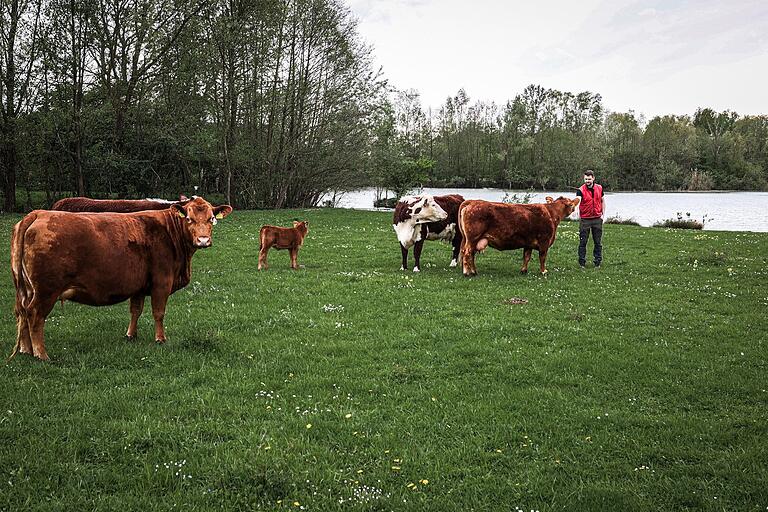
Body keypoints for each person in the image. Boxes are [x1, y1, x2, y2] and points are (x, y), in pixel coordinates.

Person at [576, 170, 605, 268]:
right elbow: (578, 201)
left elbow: (602, 201)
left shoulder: (599, 188)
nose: (587, 181)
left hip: (597, 219)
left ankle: (597, 262)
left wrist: (602, 215)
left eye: (589, 179)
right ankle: (582, 263)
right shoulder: (580, 190)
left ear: (593, 178)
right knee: (583, 242)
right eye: (585, 179)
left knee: (598, 242)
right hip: (585, 220)